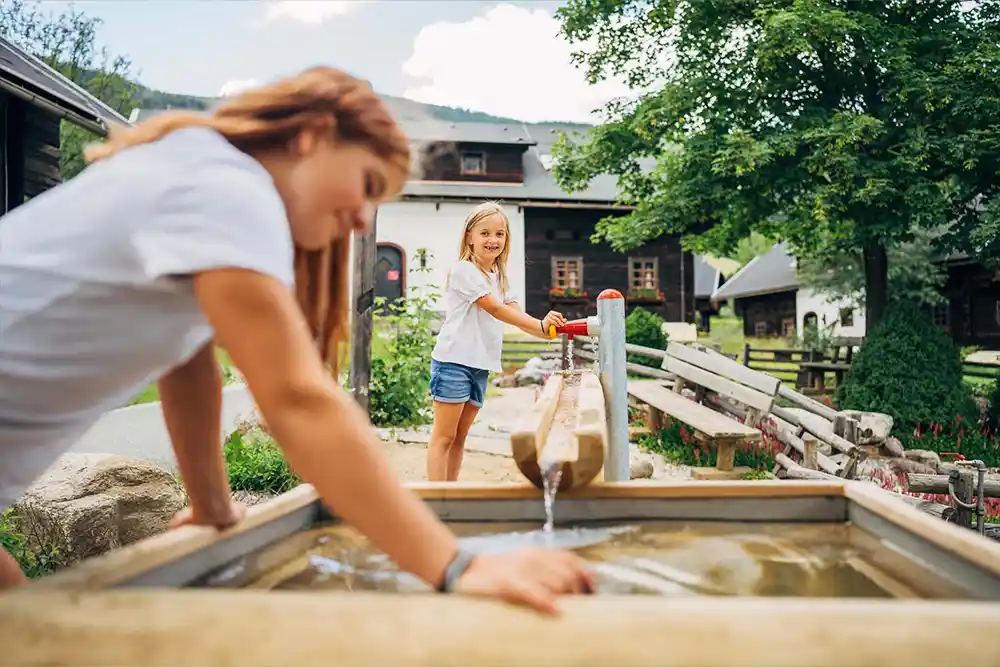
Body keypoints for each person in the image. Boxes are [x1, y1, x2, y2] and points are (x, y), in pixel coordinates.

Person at [0, 67, 594, 611]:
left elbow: (189, 366)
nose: (364, 220)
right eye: (365, 184)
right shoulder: (228, 187)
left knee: (25, 618)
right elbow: (297, 399)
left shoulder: (202, 176)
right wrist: (457, 565)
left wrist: (210, 505)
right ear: (312, 135)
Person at [427, 202, 567, 482]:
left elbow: (514, 311)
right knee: (444, 436)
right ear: (469, 236)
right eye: (485, 233)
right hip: (454, 361)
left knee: (460, 437)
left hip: (480, 364)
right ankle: (434, 499)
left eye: (499, 234)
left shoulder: (499, 276)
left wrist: (543, 328)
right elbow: (496, 309)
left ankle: (450, 493)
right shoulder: (464, 271)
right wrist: (538, 326)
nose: (493, 240)